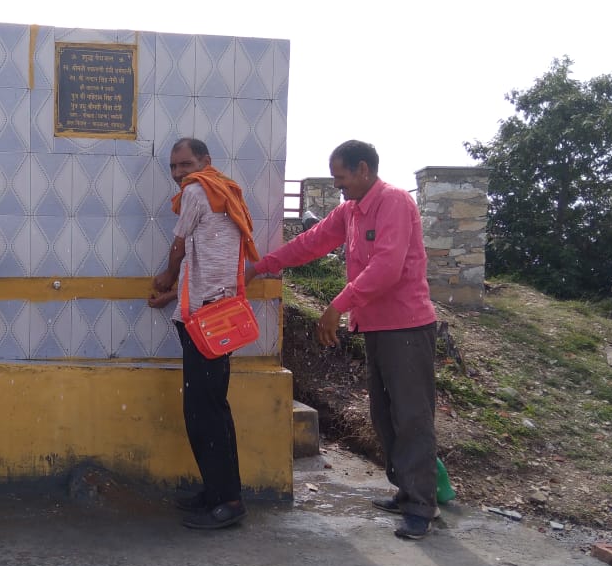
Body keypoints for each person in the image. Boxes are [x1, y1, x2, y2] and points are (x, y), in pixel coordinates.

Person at [246, 140, 439, 540]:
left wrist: (338, 305)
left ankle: (422, 505)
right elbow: (312, 242)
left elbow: (387, 267)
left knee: (412, 417)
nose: (339, 187)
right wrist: (265, 266)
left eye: (342, 178)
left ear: (363, 170)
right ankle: (406, 491)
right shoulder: (350, 211)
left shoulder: (395, 203)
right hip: (376, 327)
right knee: (384, 416)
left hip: (406, 326)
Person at [150, 137, 259, 530]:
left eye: (186, 163)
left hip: (208, 319)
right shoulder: (222, 193)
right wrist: (172, 296)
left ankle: (229, 500)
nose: (180, 173)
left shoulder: (199, 191)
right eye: (174, 167)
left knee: (205, 412)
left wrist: (165, 275)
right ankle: (215, 492)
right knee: (209, 408)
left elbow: (180, 248)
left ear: (206, 161)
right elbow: (204, 259)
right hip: (211, 313)